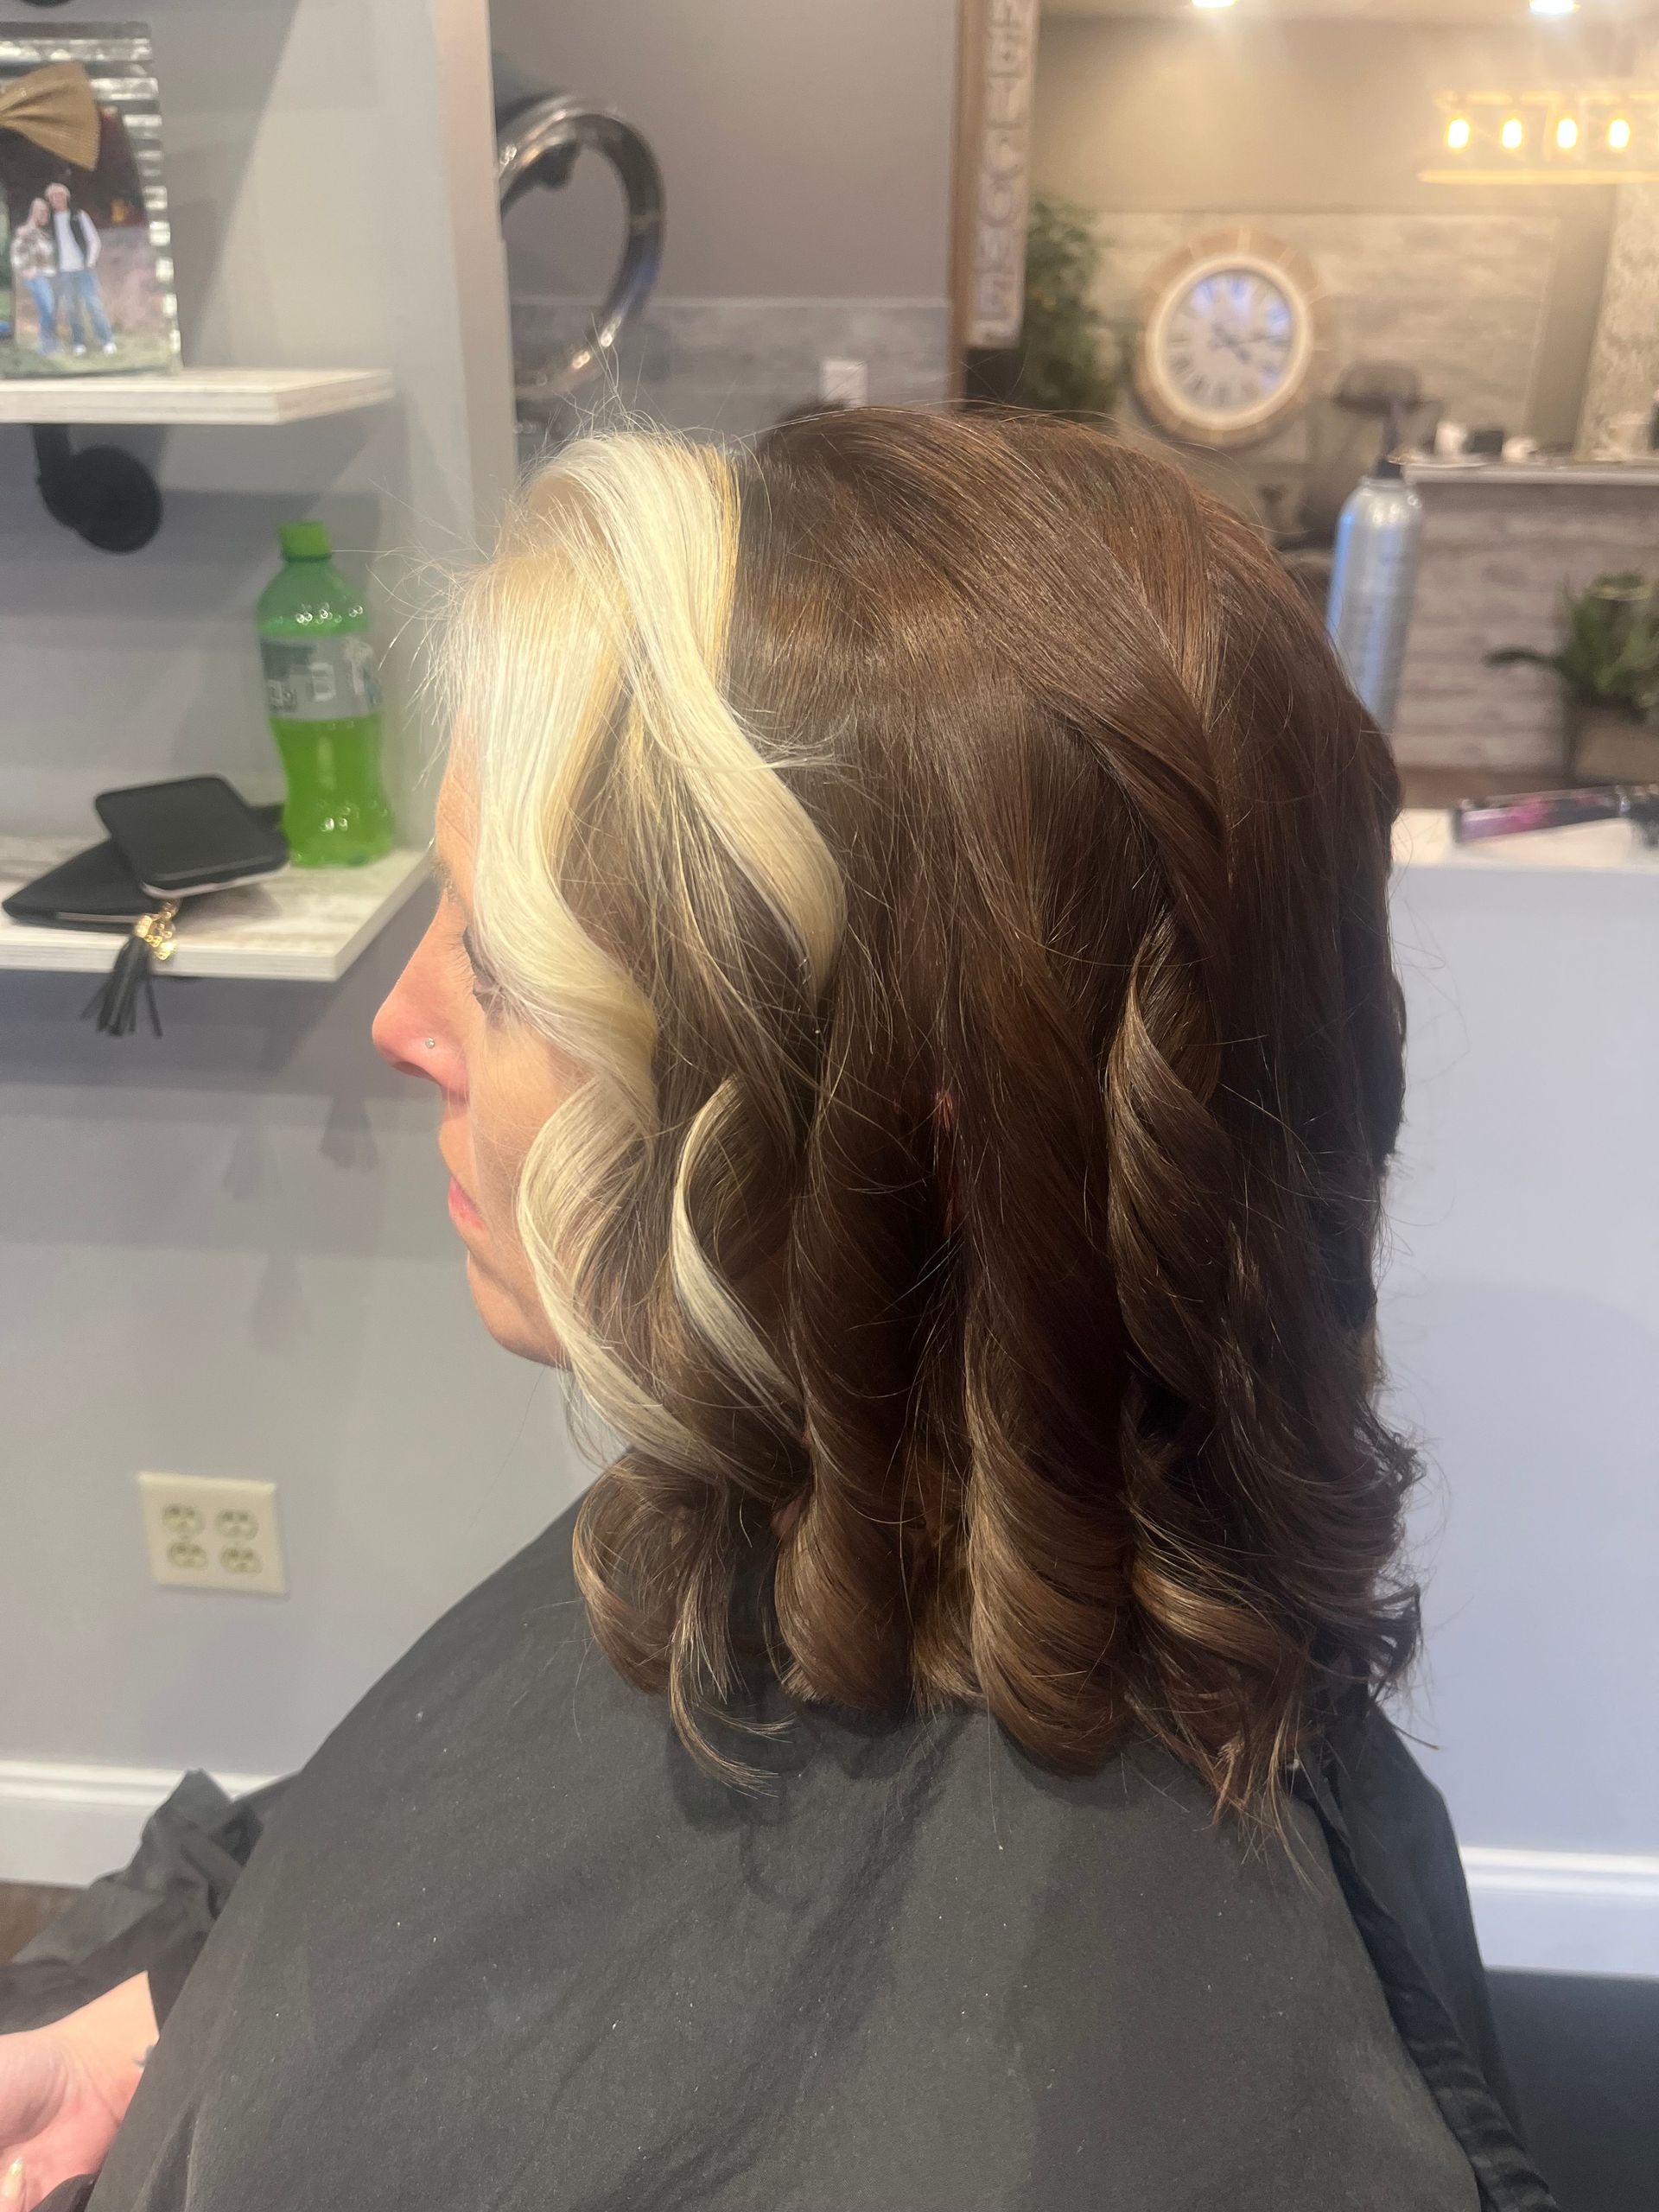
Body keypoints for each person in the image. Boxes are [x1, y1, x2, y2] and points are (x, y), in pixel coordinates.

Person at [0, 410, 1555, 2212]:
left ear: (902, 1143)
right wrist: (187, 1987)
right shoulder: (771, 1493)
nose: (405, 1022)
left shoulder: (1159, 2110)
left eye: (503, 969)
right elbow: (434, 1865)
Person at [43, 183, 115, 359]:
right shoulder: (49, 222)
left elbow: (93, 240)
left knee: (93, 305)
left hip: (83, 269)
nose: (57, 199)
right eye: (54, 197)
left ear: (66, 197)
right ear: (50, 201)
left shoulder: (78, 215)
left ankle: (107, 341)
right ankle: (78, 343)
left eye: (60, 195)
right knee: (71, 308)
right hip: (63, 272)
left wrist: (89, 262)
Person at [9, 200, 59, 357]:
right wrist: (24, 270)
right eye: (42, 212)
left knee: (48, 311)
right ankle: (46, 346)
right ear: (35, 212)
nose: (46, 215)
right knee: (48, 310)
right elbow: (16, 252)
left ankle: (50, 345)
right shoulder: (27, 232)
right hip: (36, 277)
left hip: (48, 276)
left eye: (47, 212)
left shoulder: (43, 232)